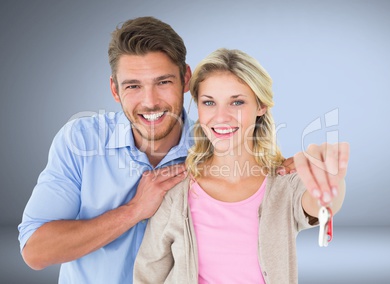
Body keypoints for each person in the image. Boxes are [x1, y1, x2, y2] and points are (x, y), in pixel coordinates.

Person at [17, 17, 295, 283]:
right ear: (115, 89)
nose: (150, 102)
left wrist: (299, 171)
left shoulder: (218, 145)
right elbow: (35, 251)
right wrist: (134, 210)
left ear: (186, 79)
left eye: (163, 82)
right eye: (133, 86)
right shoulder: (81, 141)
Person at [133, 48, 350, 283]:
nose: (221, 116)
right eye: (209, 102)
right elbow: (148, 273)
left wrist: (330, 179)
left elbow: (320, 205)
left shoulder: (284, 183)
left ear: (261, 106)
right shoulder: (176, 191)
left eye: (236, 102)